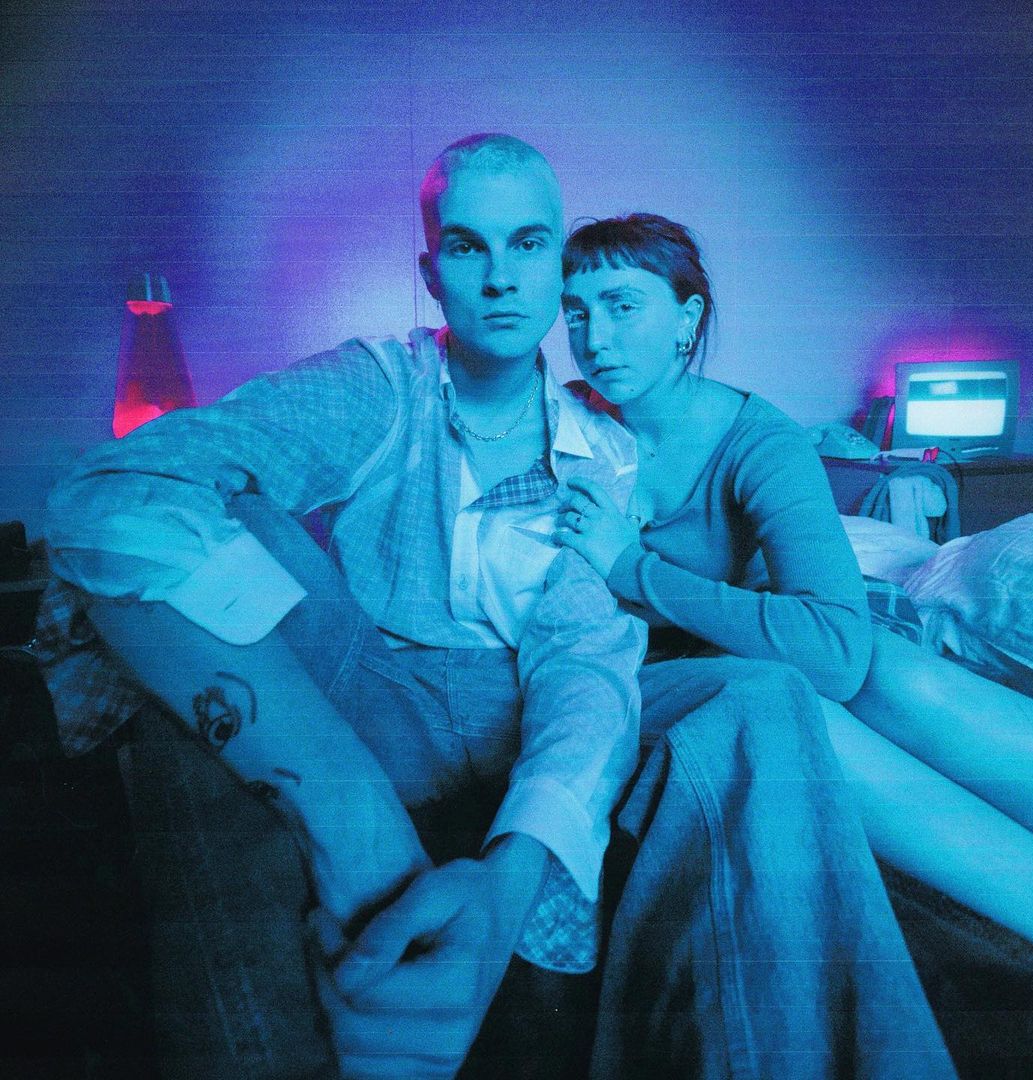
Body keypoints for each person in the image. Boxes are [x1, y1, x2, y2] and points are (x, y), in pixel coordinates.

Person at [37, 138, 956, 1079]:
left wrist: (513, 877)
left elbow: (587, 657)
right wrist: (354, 816)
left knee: (762, 695)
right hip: (370, 687)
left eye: (528, 245)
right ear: (431, 275)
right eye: (469, 248)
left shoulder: (606, 445)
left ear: (556, 266)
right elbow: (110, 495)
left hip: (520, 701)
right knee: (217, 554)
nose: (502, 279)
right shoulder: (378, 386)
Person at [556, 212, 1033, 966]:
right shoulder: (562, 420)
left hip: (744, 639)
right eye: (576, 312)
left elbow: (836, 651)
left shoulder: (757, 438)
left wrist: (630, 566)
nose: (595, 338)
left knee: (892, 672)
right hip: (645, 673)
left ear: (687, 318)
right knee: (807, 717)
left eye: (622, 306)